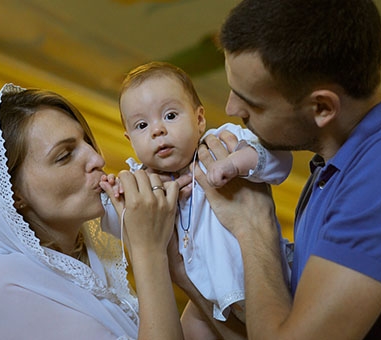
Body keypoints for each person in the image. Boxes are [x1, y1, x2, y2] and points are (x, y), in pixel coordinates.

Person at [185, 0, 381, 339]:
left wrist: (254, 227)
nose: (230, 108)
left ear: (322, 107)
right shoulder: (332, 172)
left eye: (251, 102)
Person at [0, 83, 190, 339]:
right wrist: (149, 253)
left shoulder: (88, 266)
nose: (97, 160)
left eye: (87, 142)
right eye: (65, 155)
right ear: (14, 193)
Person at [101, 61, 293, 338]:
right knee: (187, 330)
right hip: (209, 296)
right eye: (142, 125)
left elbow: (278, 161)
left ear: (199, 119)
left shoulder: (220, 145)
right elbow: (120, 225)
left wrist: (237, 164)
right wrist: (114, 196)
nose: (157, 130)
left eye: (169, 115)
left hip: (265, 276)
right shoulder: (144, 183)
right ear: (130, 139)